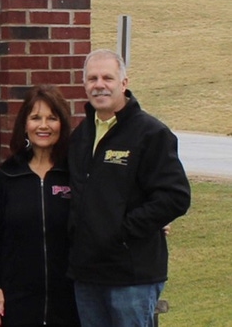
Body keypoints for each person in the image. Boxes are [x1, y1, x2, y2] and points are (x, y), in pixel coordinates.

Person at [68, 49, 191, 327]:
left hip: (132, 277)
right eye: (92, 78)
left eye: (108, 77)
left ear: (124, 83)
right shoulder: (81, 136)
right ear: (84, 84)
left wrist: (123, 230)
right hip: (87, 275)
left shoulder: (151, 134)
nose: (99, 84)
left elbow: (175, 197)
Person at [0, 85, 81, 327]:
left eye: (52, 118)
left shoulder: (75, 173)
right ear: (25, 124)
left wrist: (154, 221)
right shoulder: (6, 176)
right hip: (18, 302)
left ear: (62, 125)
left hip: (72, 301)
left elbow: (110, 201)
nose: (43, 126)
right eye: (36, 118)